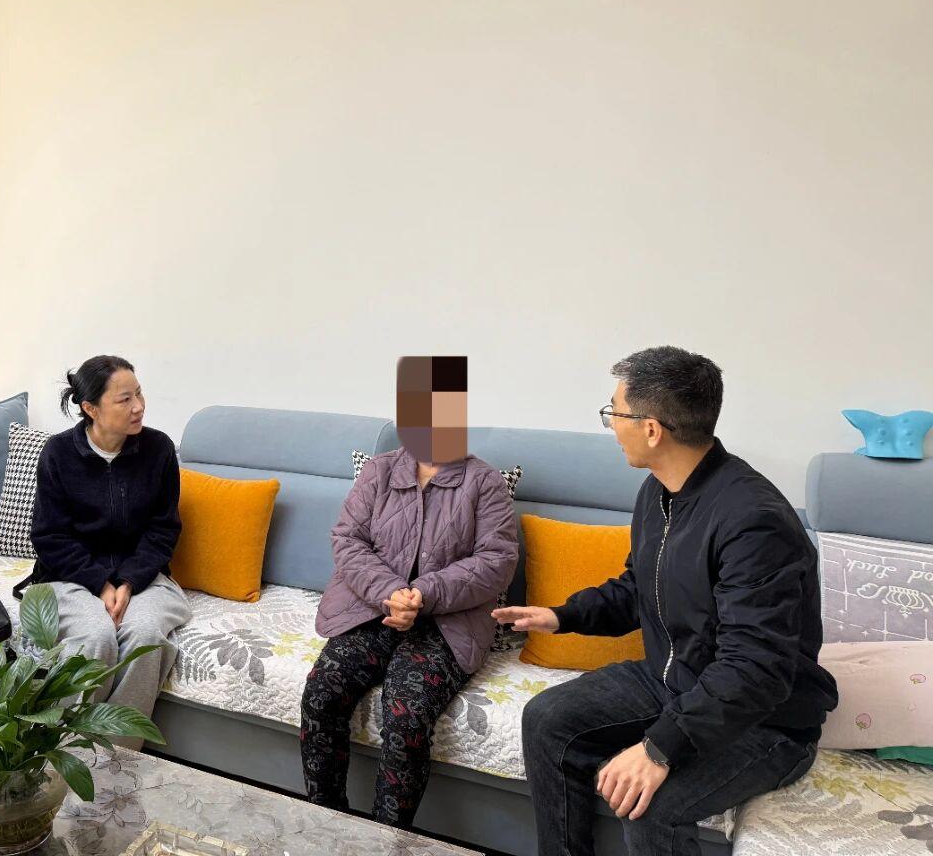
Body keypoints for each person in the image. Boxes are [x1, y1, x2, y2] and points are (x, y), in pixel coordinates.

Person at [496, 346, 837, 856]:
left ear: (652, 429)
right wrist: (562, 616)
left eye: (614, 413)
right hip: (674, 680)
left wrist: (658, 748)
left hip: (765, 719)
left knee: (652, 806)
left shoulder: (753, 522)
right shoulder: (658, 493)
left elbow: (755, 669)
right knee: (547, 718)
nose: (611, 426)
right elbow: (640, 587)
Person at [301, 355, 517, 828]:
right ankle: (326, 826)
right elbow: (348, 540)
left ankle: (388, 840)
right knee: (321, 692)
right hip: (372, 611)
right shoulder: (379, 472)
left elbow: (496, 561)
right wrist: (390, 593)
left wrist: (422, 594)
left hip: (446, 624)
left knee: (405, 714)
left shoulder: (484, 482)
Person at [27, 355, 189, 747]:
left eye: (139, 394)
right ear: (91, 408)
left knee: (146, 634)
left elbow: (163, 529)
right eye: (124, 399)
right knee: (96, 636)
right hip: (67, 579)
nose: (138, 407)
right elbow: (49, 536)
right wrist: (100, 584)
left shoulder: (158, 449)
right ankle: (63, 751)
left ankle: (117, 757)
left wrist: (128, 582)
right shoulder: (58, 453)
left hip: (144, 578)